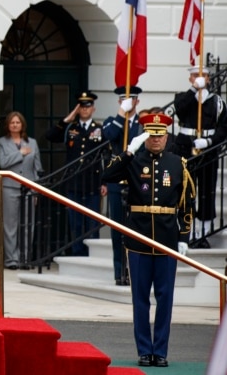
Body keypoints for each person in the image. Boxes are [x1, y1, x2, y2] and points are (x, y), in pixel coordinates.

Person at [102, 112, 195, 369]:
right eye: (151, 135)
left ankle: (161, 351)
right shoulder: (134, 161)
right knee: (140, 298)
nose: (156, 139)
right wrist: (129, 151)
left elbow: (187, 203)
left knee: (165, 298)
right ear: (145, 136)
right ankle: (144, 350)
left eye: (160, 135)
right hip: (138, 239)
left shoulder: (178, 163)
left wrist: (184, 237)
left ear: (167, 136)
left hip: (167, 240)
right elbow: (106, 175)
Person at [45, 90, 107, 256]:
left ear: (93, 108)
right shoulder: (70, 128)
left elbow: (106, 157)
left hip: (93, 182)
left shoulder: (100, 129)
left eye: (88, 106)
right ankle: (78, 254)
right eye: (82, 106)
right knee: (76, 222)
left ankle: (92, 256)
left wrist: (105, 182)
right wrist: (66, 120)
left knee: (92, 222)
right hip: (74, 182)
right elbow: (50, 136)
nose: (85, 109)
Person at [172, 66, 227, 249]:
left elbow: (223, 128)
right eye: (195, 76)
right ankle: (186, 231)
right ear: (190, 79)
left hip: (207, 150)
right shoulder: (183, 96)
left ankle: (202, 232)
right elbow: (179, 109)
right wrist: (194, 89)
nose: (200, 78)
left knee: (206, 191)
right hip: (186, 148)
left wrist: (209, 141)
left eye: (203, 76)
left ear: (210, 79)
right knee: (187, 190)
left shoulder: (217, 102)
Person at [101, 86, 143, 285]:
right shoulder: (112, 121)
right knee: (117, 229)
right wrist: (120, 115)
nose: (128, 102)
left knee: (135, 229)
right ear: (119, 102)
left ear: (137, 101)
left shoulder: (142, 123)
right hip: (118, 182)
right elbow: (109, 135)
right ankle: (119, 272)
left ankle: (134, 271)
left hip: (137, 181)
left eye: (131, 99)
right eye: (124, 100)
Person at [0, 110, 41, 270]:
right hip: (10, 187)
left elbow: (37, 168)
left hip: (29, 188)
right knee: (10, 225)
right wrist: (19, 153)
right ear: (8, 125)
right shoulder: (2, 142)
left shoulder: (32, 142)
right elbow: (2, 162)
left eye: (18, 122)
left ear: (22, 124)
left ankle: (25, 257)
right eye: (12, 122)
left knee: (28, 223)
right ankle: (11, 260)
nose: (15, 125)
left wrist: (36, 190)